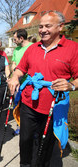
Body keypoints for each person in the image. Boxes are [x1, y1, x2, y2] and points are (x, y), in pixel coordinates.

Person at [8, 11, 78, 167]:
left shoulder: (73, 48)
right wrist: (14, 77)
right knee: (25, 140)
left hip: (54, 106)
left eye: (48, 26)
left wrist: (71, 85)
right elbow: (21, 68)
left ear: (60, 27)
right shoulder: (33, 48)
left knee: (44, 145)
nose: (43, 30)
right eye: (40, 26)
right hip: (28, 103)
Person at [11, 29, 33, 135]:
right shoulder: (16, 50)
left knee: (28, 106)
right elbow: (14, 63)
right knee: (18, 105)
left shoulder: (33, 47)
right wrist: (13, 69)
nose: (14, 41)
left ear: (21, 38)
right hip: (18, 82)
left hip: (29, 83)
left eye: (15, 39)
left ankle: (30, 128)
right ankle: (19, 125)